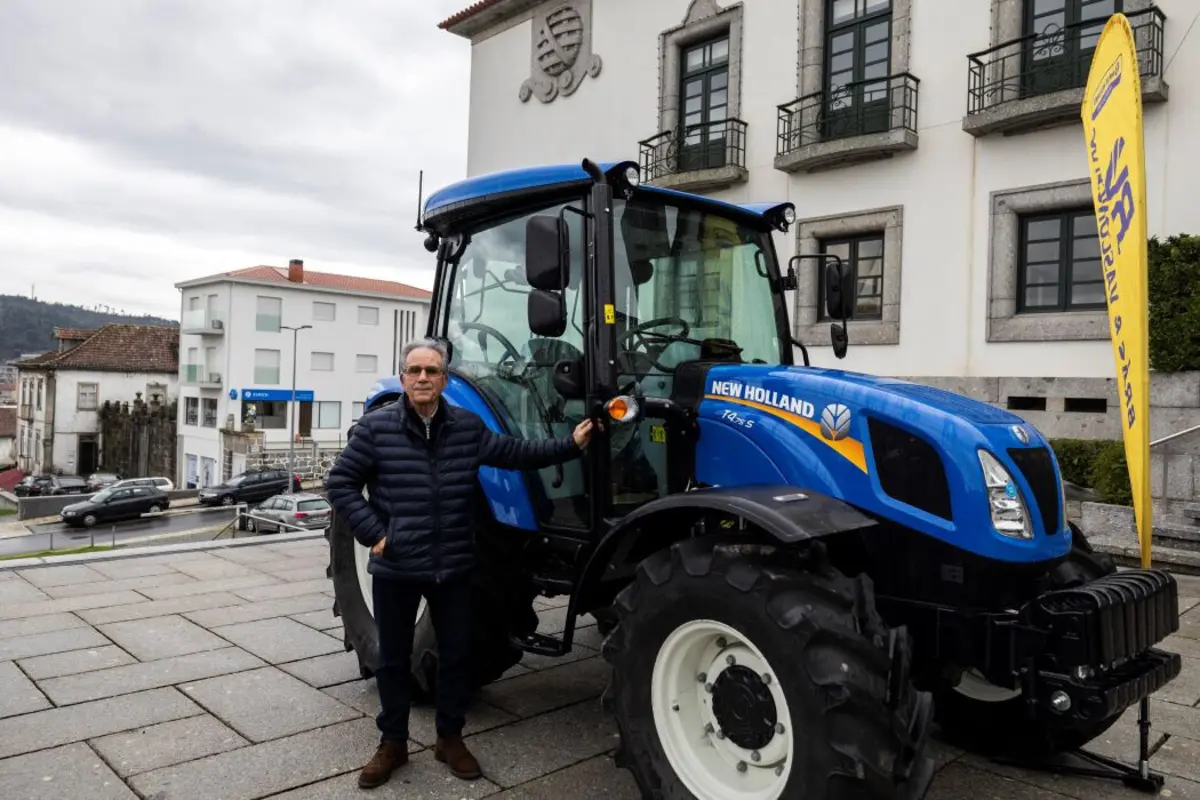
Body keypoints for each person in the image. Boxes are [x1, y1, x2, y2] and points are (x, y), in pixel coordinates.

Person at [326, 337, 595, 789]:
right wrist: (374, 534)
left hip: (451, 565)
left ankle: (449, 738)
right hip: (398, 567)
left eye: (432, 372)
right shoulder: (378, 430)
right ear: (404, 378)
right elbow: (341, 484)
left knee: (455, 657)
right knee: (392, 660)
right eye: (415, 372)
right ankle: (392, 744)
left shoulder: (466, 427)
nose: (423, 379)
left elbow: (514, 454)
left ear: (444, 379)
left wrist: (570, 444)